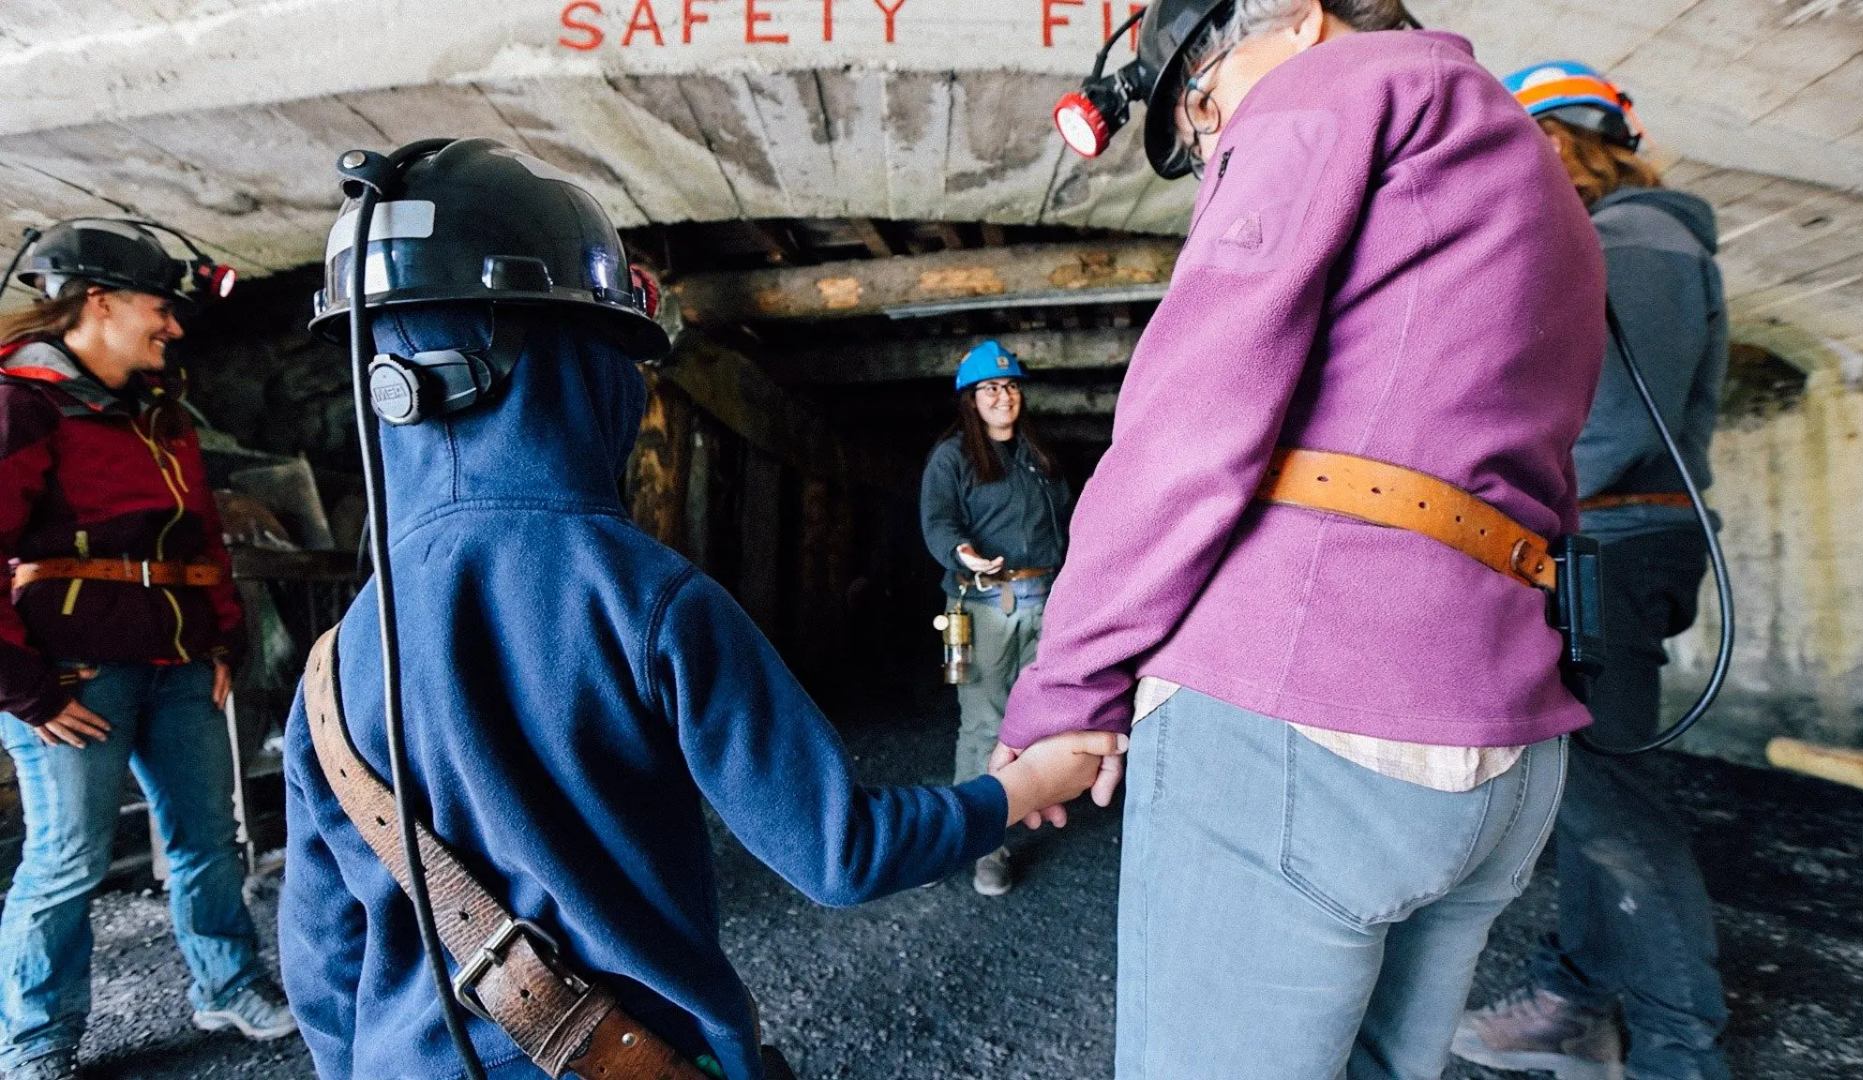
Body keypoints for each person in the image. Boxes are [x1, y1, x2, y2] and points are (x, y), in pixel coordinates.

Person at [277, 139, 1123, 1080]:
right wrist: (1028, 784)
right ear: (575, 363)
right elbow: (841, 853)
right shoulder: (651, 599)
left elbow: (321, 967)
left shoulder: (333, 665)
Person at [995, 2, 1610, 1077]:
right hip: (1503, 748)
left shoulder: (1331, 90)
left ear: (1295, 19)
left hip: (1309, 702)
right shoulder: (1533, 170)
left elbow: (1190, 428)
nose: (1211, 129)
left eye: (1203, 94)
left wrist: (1066, 689)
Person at [1451, 62, 1733, 1080]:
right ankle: (1577, 999)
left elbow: (1615, 423)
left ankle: (1679, 1048)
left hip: (1610, 546)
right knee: (1585, 784)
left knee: (1606, 800)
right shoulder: (1612, 244)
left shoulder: (1642, 239)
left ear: (1562, 141)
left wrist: (1492, 517)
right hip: (1599, 542)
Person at [0, 221, 294, 1080]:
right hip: (74, 679)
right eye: (159, 307)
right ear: (98, 302)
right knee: (68, 860)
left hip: (181, 667)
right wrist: (28, 692)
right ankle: (36, 1037)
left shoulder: (159, 411)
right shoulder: (20, 403)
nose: (172, 326)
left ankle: (227, 983)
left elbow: (199, 529)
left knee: (208, 838)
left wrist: (224, 638)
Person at [919, 340, 1074, 896]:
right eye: (989, 389)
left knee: (1034, 722)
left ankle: (1017, 811)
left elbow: (1067, 527)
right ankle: (979, 843)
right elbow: (938, 521)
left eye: (1009, 386)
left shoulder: (1039, 456)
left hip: (1046, 602)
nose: (1002, 396)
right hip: (986, 604)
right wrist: (963, 553)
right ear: (971, 399)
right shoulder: (953, 458)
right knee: (984, 724)